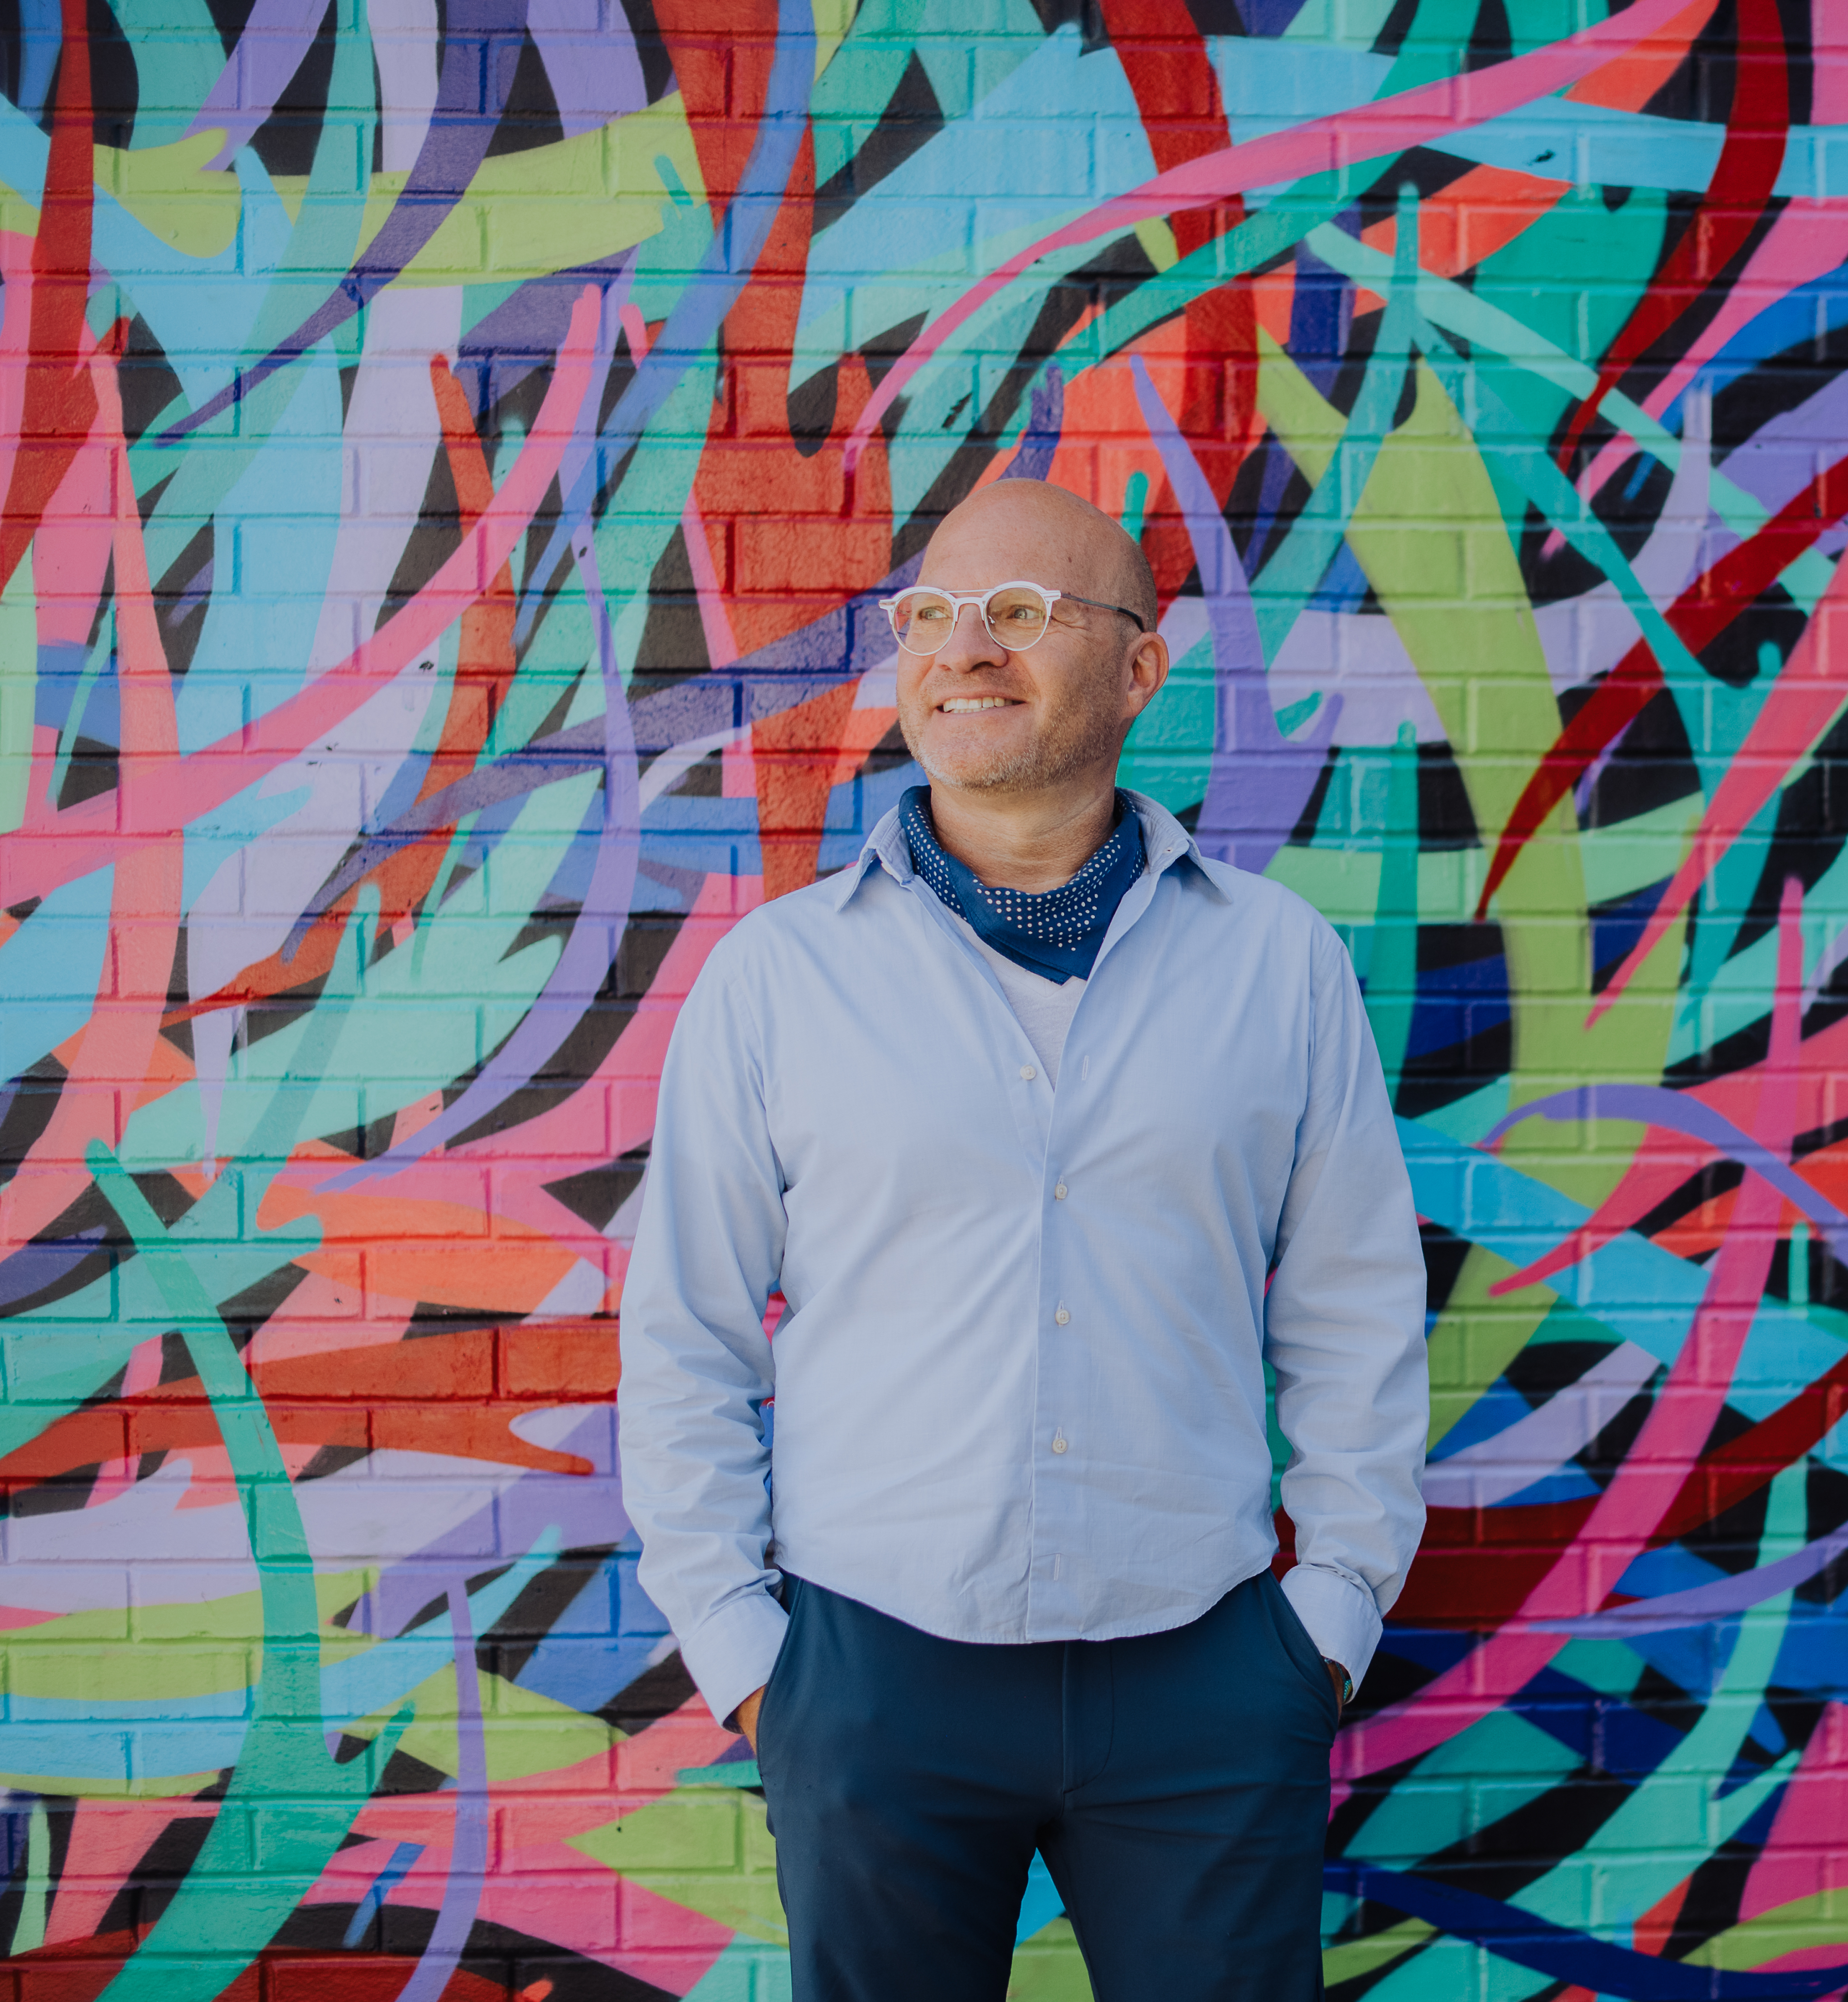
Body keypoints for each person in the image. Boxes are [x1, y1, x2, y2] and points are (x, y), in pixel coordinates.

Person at [617, 476, 1431, 2002]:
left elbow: (1354, 1314)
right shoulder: (779, 980)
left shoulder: (1279, 965)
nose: (963, 651)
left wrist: (1327, 1621)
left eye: (1022, 614)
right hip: (873, 1676)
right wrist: (748, 1661)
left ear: (1137, 670)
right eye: (931, 616)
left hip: (1206, 1671)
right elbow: (687, 1337)